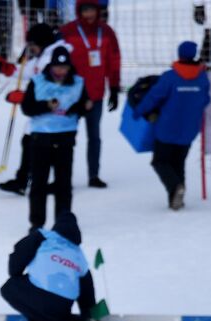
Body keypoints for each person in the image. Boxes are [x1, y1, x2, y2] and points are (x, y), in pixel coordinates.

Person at [0, 211, 113, 321]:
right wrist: (89, 317)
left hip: (36, 296)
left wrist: (18, 274)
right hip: (60, 307)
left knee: (8, 288)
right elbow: (87, 296)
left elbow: (16, 263)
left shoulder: (43, 236)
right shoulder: (79, 256)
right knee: (59, 320)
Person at [134, 41, 210, 211]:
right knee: (178, 162)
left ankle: (175, 187)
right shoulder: (203, 78)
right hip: (190, 130)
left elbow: (154, 97)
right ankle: (176, 199)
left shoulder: (170, 77)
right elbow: (206, 100)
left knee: (160, 161)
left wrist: (139, 110)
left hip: (167, 128)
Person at [21, 46, 88, 228]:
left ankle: (62, 222)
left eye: (64, 67)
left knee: (63, 183)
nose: (60, 71)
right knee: (39, 183)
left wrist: (78, 108)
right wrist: (46, 106)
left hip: (65, 138)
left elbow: (84, 104)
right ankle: (36, 223)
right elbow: (27, 108)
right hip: (41, 138)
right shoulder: (37, 82)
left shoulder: (78, 82)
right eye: (57, 67)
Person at [61, 1, 121, 188]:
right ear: (79, 11)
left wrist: (114, 88)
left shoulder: (107, 32)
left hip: (95, 95)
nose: (89, 14)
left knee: (94, 137)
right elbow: (55, 59)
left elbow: (114, 61)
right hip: (71, 95)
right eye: (85, 10)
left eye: (92, 9)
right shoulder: (67, 31)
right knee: (65, 137)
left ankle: (93, 175)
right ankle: (63, 176)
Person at [0, 22, 61, 197]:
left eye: (32, 44)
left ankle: (53, 181)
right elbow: (30, 71)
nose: (30, 49)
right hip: (44, 112)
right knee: (30, 141)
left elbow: (51, 87)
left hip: (56, 111)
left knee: (50, 145)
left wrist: (25, 98)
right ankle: (23, 180)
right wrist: (8, 69)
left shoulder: (54, 57)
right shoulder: (44, 56)